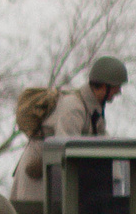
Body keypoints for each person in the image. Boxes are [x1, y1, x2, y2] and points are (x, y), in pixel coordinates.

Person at [11, 57, 127, 205]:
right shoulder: (74, 108)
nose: (118, 92)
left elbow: (101, 141)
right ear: (104, 86)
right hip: (39, 176)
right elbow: (67, 152)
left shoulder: (93, 109)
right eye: (117, 86)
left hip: (52, 175)